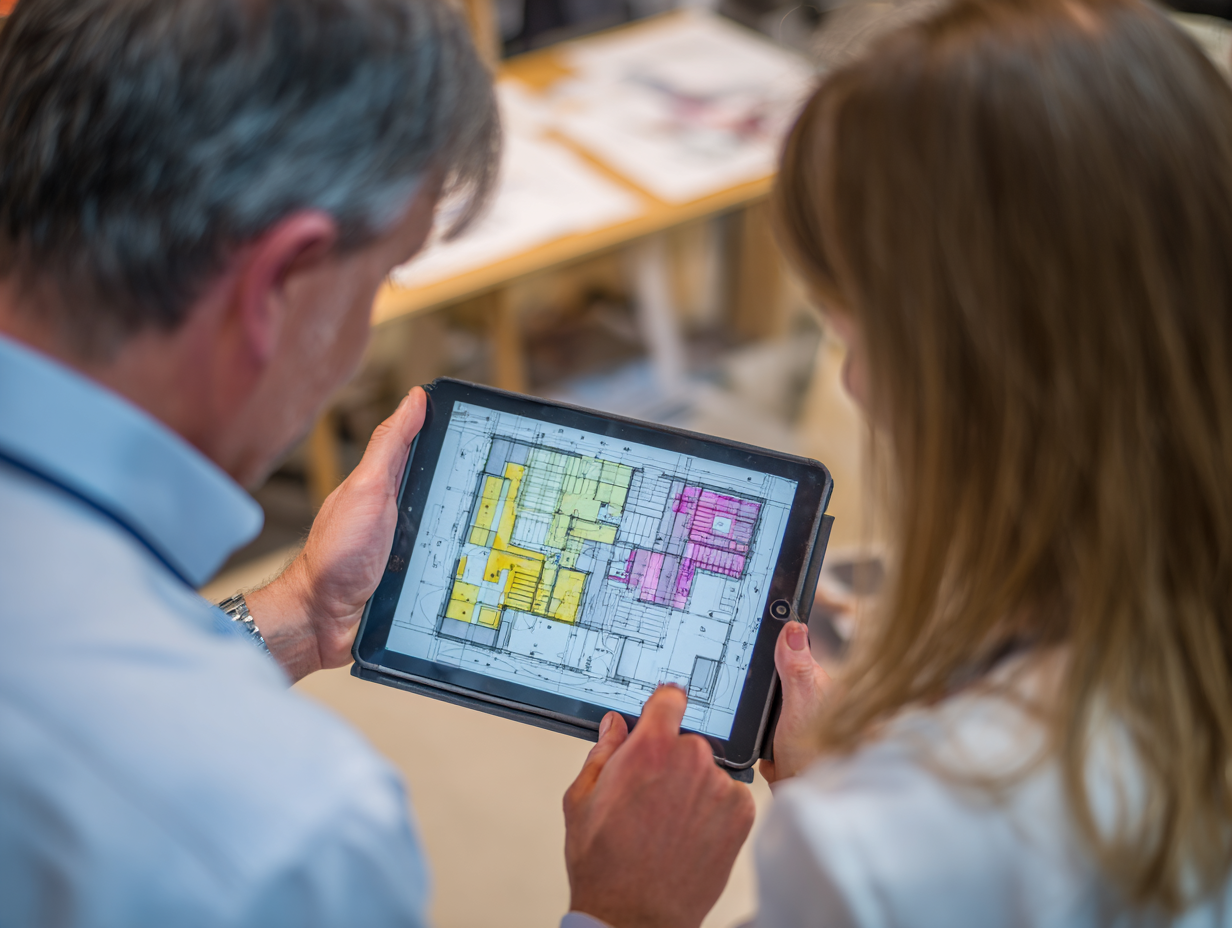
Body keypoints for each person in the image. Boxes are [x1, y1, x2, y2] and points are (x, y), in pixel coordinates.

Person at [0, 1, 753, 926]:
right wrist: (626, 911)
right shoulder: (283, 837)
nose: (358, 342)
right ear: (283, 284)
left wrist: (296, 614)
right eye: (382, 280)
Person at [677, 0, 1232, 923]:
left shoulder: (887, 840)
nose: (852, 382)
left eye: (856, 325)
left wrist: (622, 912)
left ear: (975, 366)